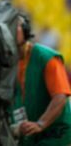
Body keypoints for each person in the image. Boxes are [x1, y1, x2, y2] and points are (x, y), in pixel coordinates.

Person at [12, 13, 71, 145]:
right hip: (28, 138)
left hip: (55, 138)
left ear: (26, 30)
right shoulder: (6, 62)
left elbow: (60, 96)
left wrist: (40, 124)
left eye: (13, 26)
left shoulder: (47, 57)